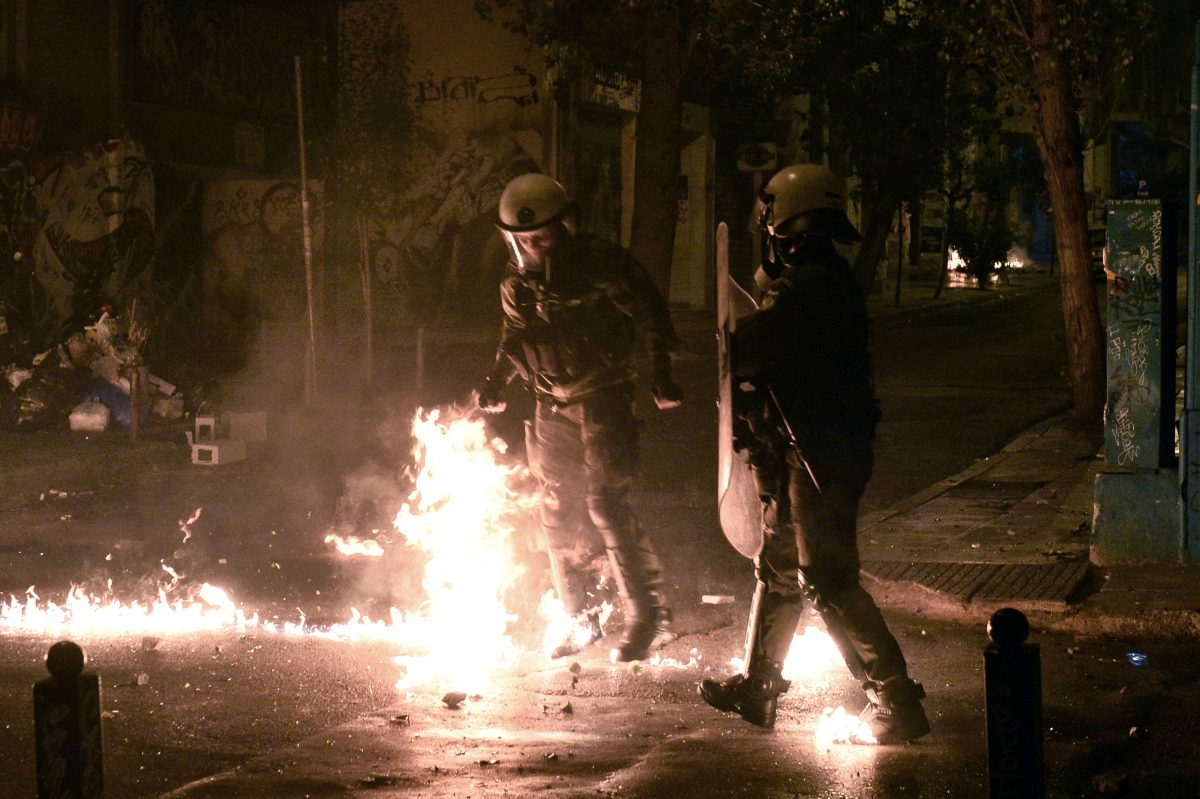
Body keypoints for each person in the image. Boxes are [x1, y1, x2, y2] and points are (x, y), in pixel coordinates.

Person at [699, 164, 929, 744]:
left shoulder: (811, 287)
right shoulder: (820, 282)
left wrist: (748, 317)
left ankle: (894, 699)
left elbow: (748, 351)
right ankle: (759, 686)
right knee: (776, 567)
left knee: (827, 579)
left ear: (786, 224)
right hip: (802, 447)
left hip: (821, 454)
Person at [478, 172, 683, 662]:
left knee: (605, 504)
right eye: (523, 240)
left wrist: (661, 374)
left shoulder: (602, 263)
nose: (533, 248)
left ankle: (649, 617)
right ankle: (578, 618)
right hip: (551, 403)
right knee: (554, 507)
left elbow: (651, 311)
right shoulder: (515, 283)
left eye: (542, 237)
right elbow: (515, 336)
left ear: (565, 228)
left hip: (603, 396)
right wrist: (494, 383)